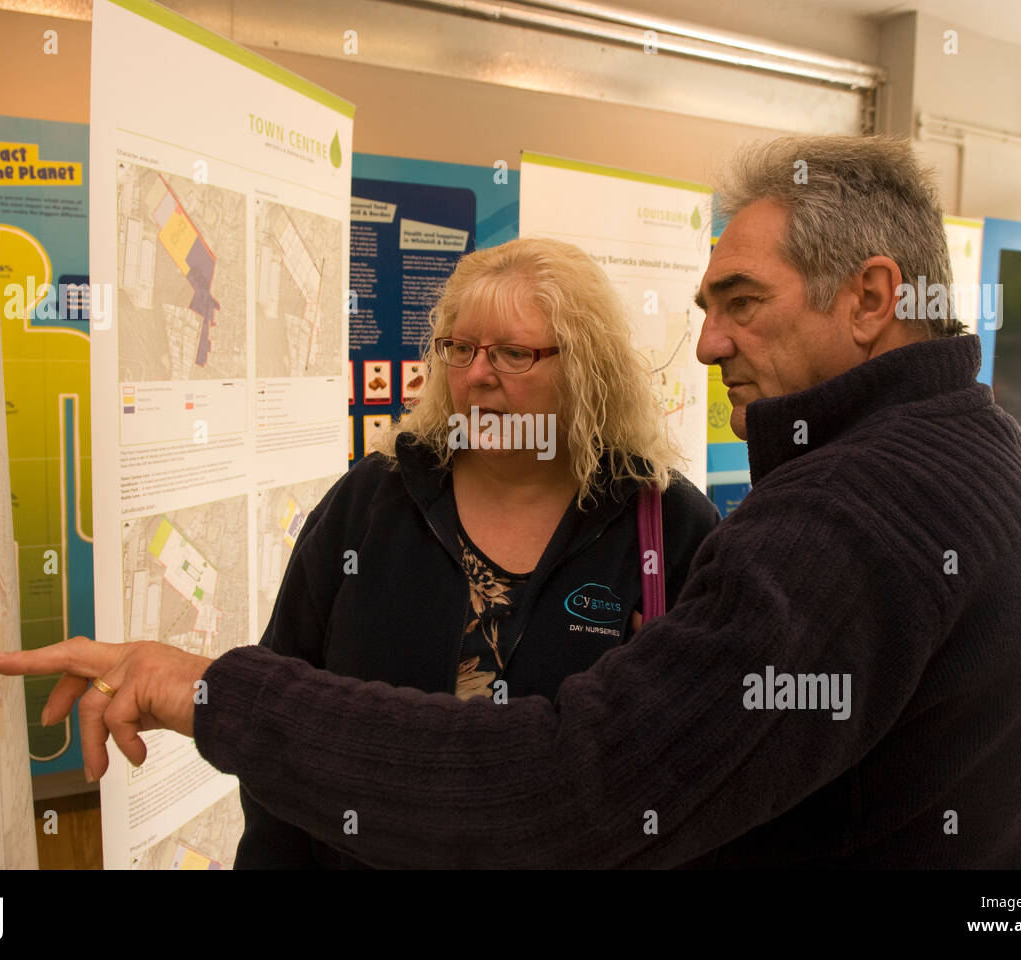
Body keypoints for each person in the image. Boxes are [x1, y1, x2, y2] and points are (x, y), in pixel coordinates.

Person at [0, 135, 1021, 868]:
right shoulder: (1008, 466)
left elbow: (576, 781)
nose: (708, 341)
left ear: (871, 298)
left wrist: (206, 691)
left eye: (742, 301)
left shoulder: (833, 517)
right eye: (458, 347)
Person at [240, 236, 718, 867]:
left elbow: (710, 757)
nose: (476, 375)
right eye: (459, 348)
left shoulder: (666, 521)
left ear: (586, 367)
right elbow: (279, 707)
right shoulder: (373, 500)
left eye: (515, 354)